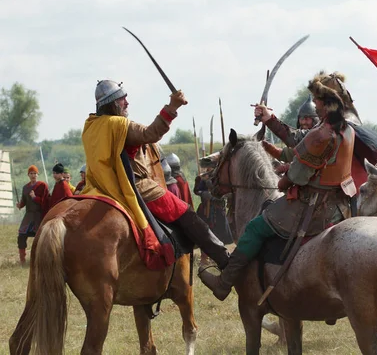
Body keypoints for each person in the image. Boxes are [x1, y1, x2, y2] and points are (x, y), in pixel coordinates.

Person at [200, 71, 357, 301]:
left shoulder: (322, 134)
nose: (314, 104)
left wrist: (284, 177)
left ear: (326, 101)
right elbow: (306, 148)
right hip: (340, 205)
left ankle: (224, 283)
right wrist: (270, 121)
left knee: (255, 227)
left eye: (316, 100)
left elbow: (297, 174)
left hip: (314, 205)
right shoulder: (346, 128)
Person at [81, 79, 229, 271]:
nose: (126, 103)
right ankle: (226, 261)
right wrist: (172, 107)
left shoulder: (90, 125)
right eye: (121, 99)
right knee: (187, 213)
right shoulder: (119, 125)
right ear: (111, 103)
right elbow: (150, 134)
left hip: (99, 188)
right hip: (135, 187)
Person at [15, 165, 49, 266]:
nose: (33, 175)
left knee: (40, 238)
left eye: (35, 173)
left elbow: (46, 201)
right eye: (31, 173)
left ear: (37, 174)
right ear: (28, 175)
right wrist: (20, 205)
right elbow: (24, 202)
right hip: (29, 216)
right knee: (21, 235)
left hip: (39, 215)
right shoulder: (25, 188)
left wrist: (35, 198)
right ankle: (22, 260)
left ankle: (40, 260)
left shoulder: (42, 185)